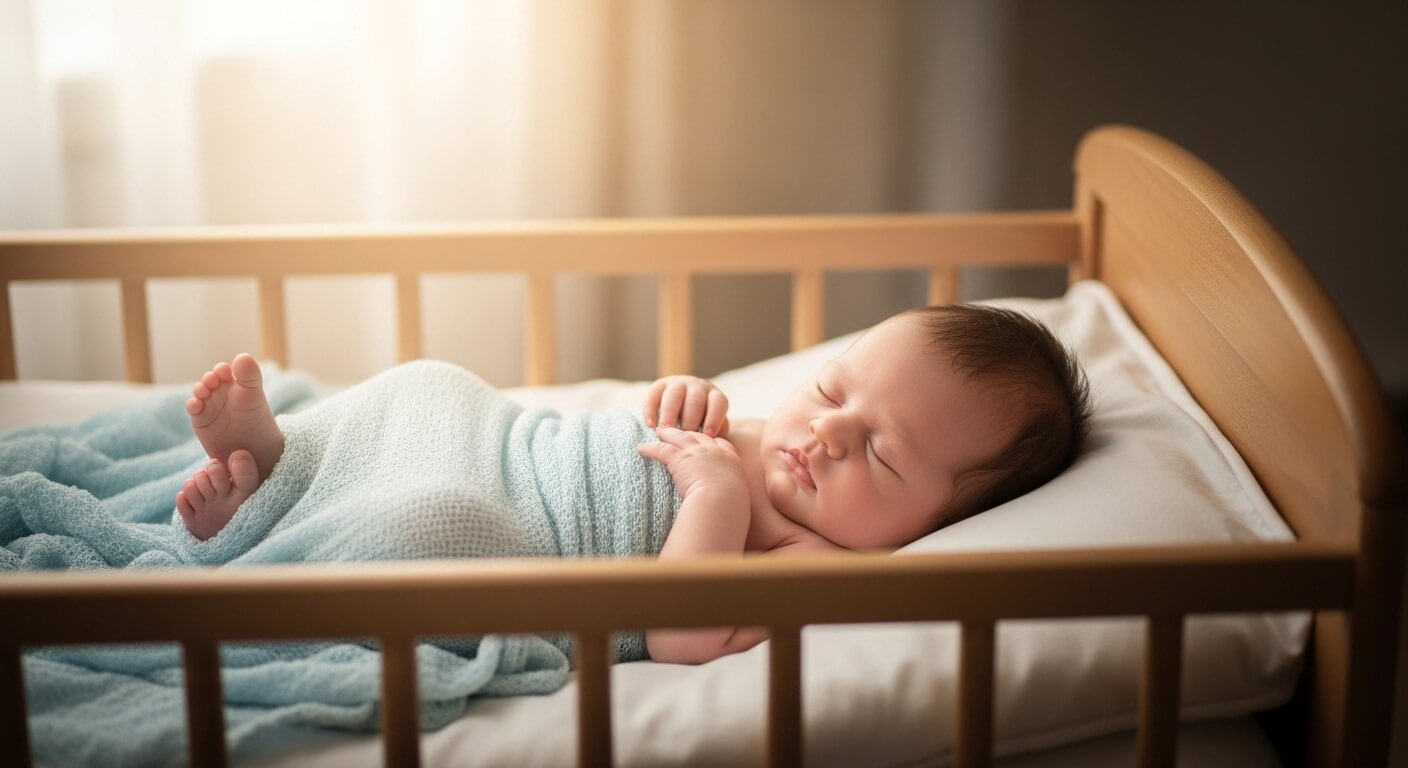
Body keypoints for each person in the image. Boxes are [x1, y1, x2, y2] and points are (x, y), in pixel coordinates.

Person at [175, 303, 1090, 663]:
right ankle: (287, 461)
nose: (826, 434)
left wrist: (717, 498)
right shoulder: (775, 438)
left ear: (936, 523)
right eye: (831, 391)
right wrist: (686, 395)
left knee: (431, 522)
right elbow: (662, 427)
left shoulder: (814, 558)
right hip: (526, 451)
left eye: (883, 456)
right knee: (432, 388)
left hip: (539, 536)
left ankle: (268, 523)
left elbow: (682, 633)